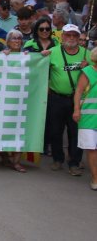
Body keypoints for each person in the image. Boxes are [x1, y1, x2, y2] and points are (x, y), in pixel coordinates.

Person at [47, 24, 87, 175]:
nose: (71, 38)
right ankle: (58, 159)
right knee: (56, 130)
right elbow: (39, 67)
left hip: (78, 100)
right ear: (62, 36)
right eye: (68, 35)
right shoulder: (52, 52)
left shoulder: (86, 54)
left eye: (74, 36)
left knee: (75, 131)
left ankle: (74, 163)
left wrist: (89, 66)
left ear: (78, 38)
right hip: (57, 98)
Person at [0, 29, 29, 172]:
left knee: (20, 128)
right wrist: (1, 56)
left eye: (19, 38)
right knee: (4, 126)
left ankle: (17, 161)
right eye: (13, 38)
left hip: (22, 98)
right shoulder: (1, 56)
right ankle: (5, 157)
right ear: (7, 41)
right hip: (4, 97)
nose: (17, 41)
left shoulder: (27, 56)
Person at [73, 46, 97, 191]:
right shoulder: (87, 72)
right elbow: (78, 92)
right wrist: (76, 110)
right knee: (92, 149)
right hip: (88, 117)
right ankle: (95, 177)